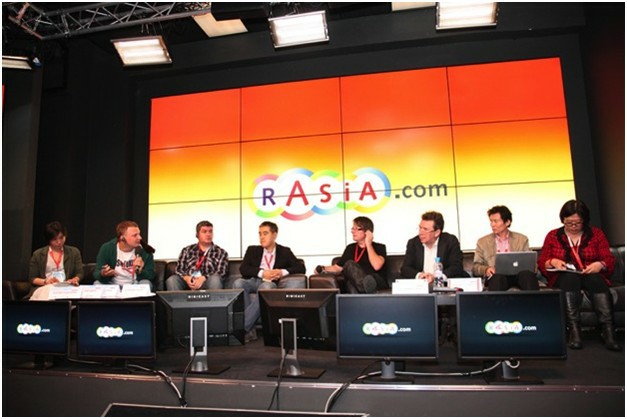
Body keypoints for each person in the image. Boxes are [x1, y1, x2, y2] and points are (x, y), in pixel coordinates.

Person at [538, 199, 620, 352]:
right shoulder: (553, 235)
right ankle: (574, 331)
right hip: (565, 276)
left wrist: (600, 264)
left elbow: (608, 259)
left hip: (590, 273)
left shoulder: (596, 234)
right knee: (570, 279)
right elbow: (542, 261)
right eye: (569, 223)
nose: (573, 226)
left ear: (585, 221)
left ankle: (608, 331)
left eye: (577, 223)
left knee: (596, 280)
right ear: (563, 220)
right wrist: (553, 261)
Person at [233, 221, 306, 341]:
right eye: (260, 234)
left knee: (266, 287)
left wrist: (282, 272)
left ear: (274, 235)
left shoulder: (284, 251)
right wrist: (262, 273)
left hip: (270, 283)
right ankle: (250, 330)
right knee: (238, 283)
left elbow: (301, 267)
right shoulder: (252, 250)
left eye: (265, 233)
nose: (261, 237)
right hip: (254, 280)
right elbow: (243, 269)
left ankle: (243, 327)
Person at [472, 205, 539, 291]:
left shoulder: (522, 239)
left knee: (527, 276)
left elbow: (530, 263)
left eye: (496, 221)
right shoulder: (483, 242)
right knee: (497, 278)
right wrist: (486, 269)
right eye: (491, 221)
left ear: (507, 222)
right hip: (497, 276)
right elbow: (475, 267)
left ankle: (534, 300)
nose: (492, 224)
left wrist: (533, 266)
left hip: (518, 275)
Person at [319, 216, 387, 294]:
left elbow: (377, 266)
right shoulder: (350, 248)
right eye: (352, 229)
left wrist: (368, 244)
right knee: (349, 271)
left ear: (368, 232)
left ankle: (365, 287)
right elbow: (337, 268)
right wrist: (322, 268)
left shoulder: (379, 247)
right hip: (361, 286)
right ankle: (365, 288)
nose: (353, 231)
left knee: (358, 280)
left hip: (375, 281)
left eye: (357, 229)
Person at [401, 211, 464, 282]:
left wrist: (437, 277)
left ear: (437, 233)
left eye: (425, 229)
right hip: (421, 284)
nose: (420, 232)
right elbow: (405, 268)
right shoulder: (413, 243)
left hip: (444, 283)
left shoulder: (450, 241)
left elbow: (456, 267)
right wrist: (420, 275)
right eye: (420, 228)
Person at [166, 220, 228, 291]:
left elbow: (221, 272)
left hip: (207, 282)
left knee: (215, 279)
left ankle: (213, 299)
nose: (208, 234)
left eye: (210, 231)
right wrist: (187, 278)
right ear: (197, 234)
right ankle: (178, 299)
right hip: (188, 282)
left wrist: (204, 278)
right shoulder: (187, 250)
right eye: (204, 232)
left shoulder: (221, 252)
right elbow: (179, 270)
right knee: (172, 280)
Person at [94, 220, 156, 291]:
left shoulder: (145, 250)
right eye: (135, 235)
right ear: (122, 238)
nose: (140, 237)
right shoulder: (107, 248)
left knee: (146, 284)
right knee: (97, 284)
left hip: (135, 285)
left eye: (139, 234)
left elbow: (151, 275)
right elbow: (96, 273)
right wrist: (103, 273)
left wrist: (139, 271)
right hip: (112, 284)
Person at [28, 221, 84, 300]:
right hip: (45, 287)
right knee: (49, 291)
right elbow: (32, 278)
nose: (59, 242)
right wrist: (46, 281)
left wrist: (74, 279)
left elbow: (80, 273)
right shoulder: (38, 254)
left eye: (61, 238)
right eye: (55, 239)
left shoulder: (74, 252)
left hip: (66, 287)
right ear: (49, 240)